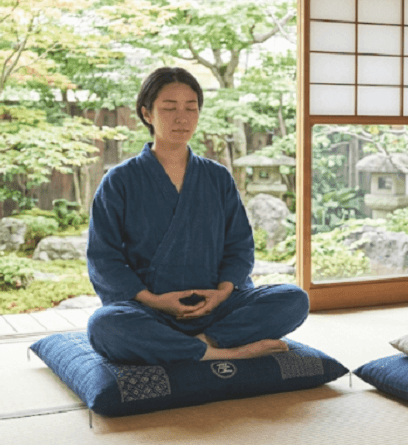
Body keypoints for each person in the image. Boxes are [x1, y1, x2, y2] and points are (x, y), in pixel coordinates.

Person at [86, 67, 309, 366]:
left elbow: (239, 246)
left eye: (191, 108)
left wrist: (221, 294)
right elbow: (104, 258)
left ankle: (200, 344)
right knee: (105, 326)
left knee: (294, 299)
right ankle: (223, 352)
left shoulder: (217, 177)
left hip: (217, 307)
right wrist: (154, 301)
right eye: (169, 108)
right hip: (152, 310)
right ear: (147, 114)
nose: (182, 118)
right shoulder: (119, 180)